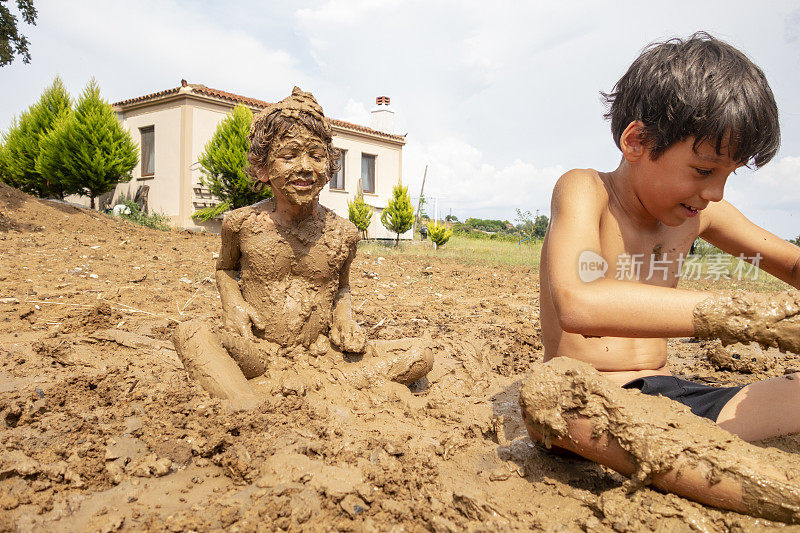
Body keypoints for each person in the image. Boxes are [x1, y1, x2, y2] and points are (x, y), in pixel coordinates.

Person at [521, 32, 800, 521]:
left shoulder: (701, 215)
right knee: (552, 399)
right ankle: (769, 494)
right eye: (702, 169)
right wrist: (753, 319)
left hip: (672, 406)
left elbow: (790, 262)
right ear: (636, 141)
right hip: (591, 403)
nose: (715, 191)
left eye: (729, 174)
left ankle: (691, 462)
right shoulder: (586, 191)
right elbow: (578, 302)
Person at [173, 87, 433, 409]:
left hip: (324, 356)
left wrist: (345, 320)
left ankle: (288, 388)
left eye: (316, 154)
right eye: (289, 155)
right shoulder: (241, 224)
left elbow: (341, 288)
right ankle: (245, 408)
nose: (306, 166)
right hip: (259, 354)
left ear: (329, 166)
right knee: (191, 334)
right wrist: (233, 306)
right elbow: (226, 270)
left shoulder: (344, 234)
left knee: (421, 353)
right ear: (263, 168)